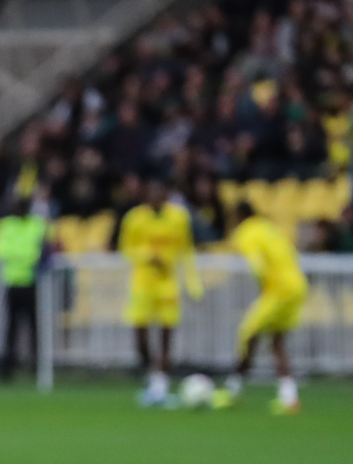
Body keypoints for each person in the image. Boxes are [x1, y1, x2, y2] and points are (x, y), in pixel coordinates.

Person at [118, 175, 202, 406]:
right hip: (143, 283)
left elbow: (185, 249)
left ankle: (160, 387)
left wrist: (193, 284)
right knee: (141, 339)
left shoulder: (178, 218)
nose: (156, 198)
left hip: (167, 284)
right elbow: (126, 248)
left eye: (160, 194)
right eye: (152, 194)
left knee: (166, 337)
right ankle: (152, 375)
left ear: (166, 195)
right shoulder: (134, 219)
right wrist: (148, 255)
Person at [212, 209, 305, 417]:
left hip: (278, 290)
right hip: (297, 285)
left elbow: (257, 264)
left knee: (247, 334)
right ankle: (289, 397)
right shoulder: (270, 228)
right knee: (277, 342)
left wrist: (263, 288)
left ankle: (232, 391)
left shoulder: (246, 232)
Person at [0, 192, 50, 381]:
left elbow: (44, 248)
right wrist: (27, 256)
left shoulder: (36, 225)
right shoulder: (8, 225)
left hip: (31, 282)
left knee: (33, 326)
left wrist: (20, 255)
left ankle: (37, 367)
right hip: (13, 282)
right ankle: (8, 367)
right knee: (12, 327)